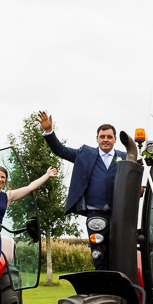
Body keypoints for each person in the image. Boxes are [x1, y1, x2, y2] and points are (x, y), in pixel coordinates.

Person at [40, 112, 125, 266]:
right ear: (97, 138)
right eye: (102, 136)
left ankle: (120, 288)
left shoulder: (125, 157)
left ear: (115, 139)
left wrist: (140, 189)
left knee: (120, 256)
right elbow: (61, 150)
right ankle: (102, 287)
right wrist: (49, 132)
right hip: (95, 215)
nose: (105, 139)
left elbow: (136, 176)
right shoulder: (85, 154)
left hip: (119, 216)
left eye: (109, 136)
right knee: (98, 255)